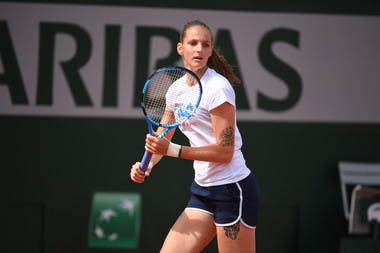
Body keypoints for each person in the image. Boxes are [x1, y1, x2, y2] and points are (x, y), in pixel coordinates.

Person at [130, 20, 260, 253]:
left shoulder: (217, 88)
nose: (199, 49)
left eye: (205, 44)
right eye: (193, 43)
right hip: (203, 191)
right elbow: (163, 137)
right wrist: (146, 165)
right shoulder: (175, 90)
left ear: (211, 51)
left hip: (232, 190)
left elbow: (224, 152)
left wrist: (172, 151)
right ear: (181, 48)